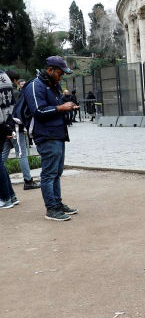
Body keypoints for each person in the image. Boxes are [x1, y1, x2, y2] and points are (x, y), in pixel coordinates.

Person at [25, 56, 79, 221]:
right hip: (46, 135)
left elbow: (54, 106)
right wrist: (61, 107)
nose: (61, 76)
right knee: (49, 174)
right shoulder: (35, 86)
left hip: (58, 134)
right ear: (50, 70)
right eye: (60, 73)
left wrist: (66, 104)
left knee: (56, 172)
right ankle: (51, 209)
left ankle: (57, 203)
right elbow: (38, 111)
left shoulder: (52, 85)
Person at [3, 70, 40, 190]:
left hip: (4, 127)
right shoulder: (14, 92)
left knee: (3, 156)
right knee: (22, 154)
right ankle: (28, 181)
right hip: (15, 127)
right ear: (13, 80)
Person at [0, 70, 21, 209]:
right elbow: (12, 103)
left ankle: (5, 198)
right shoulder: (4, 77)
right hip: (5, 123)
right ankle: (11, 196)